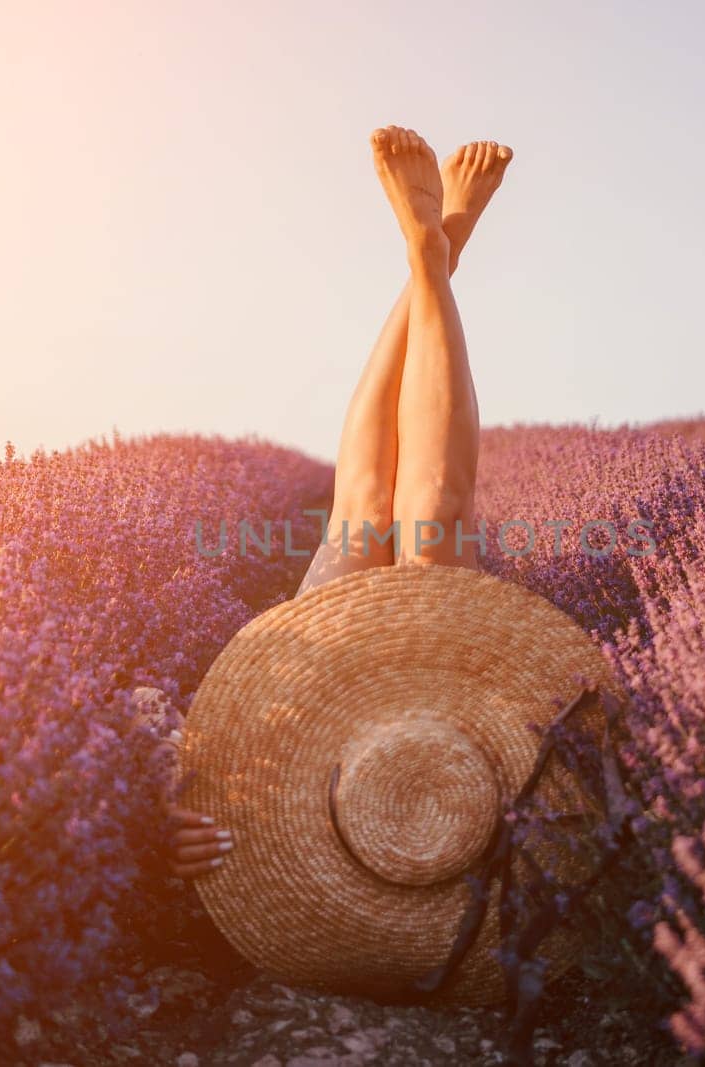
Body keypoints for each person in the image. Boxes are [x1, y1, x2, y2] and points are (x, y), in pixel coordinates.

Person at [162, 127, 512, 879]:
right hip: (453, 738)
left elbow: (130, 756)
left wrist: (152, 829)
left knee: (364, 512)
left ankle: (434, 256)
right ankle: (434, 257)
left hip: (306, 712)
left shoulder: (254, 830)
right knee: (432, 514)